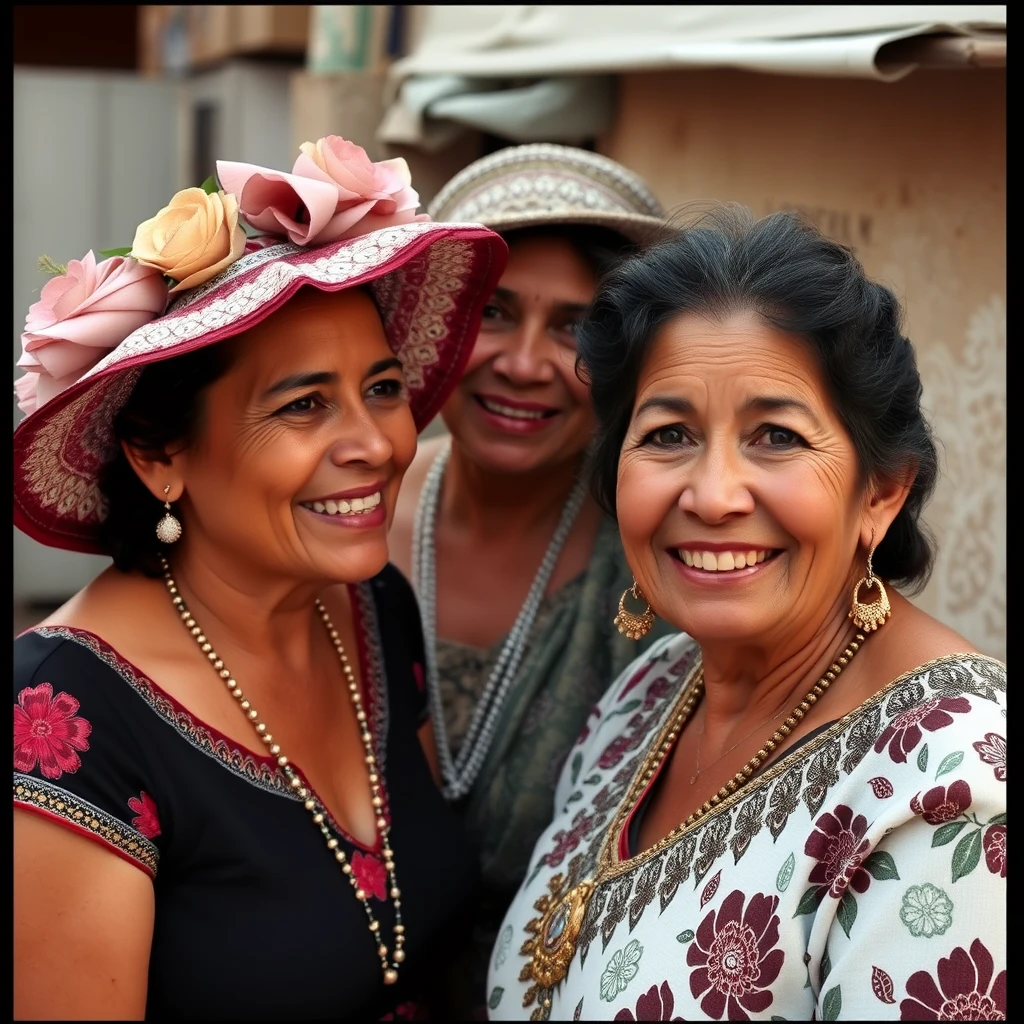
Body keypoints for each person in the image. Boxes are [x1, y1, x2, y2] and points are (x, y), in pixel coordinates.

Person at [13, 135, 508, 1020]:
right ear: (161, 459)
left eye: (383, 388)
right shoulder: (61, 725)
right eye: (305, 404)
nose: (376, 444)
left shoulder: (372, 609)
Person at [488, 207, 1006, 1021]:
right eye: (667, 435)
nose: (713, 495)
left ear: (881, 491)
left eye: (775, 436)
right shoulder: (649, 693)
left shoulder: (952, 788)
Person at [388, 143, 676, 1013]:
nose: (523, 362)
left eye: (576, 330)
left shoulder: (665, 576)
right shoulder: (337, 516)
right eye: (494, 311)